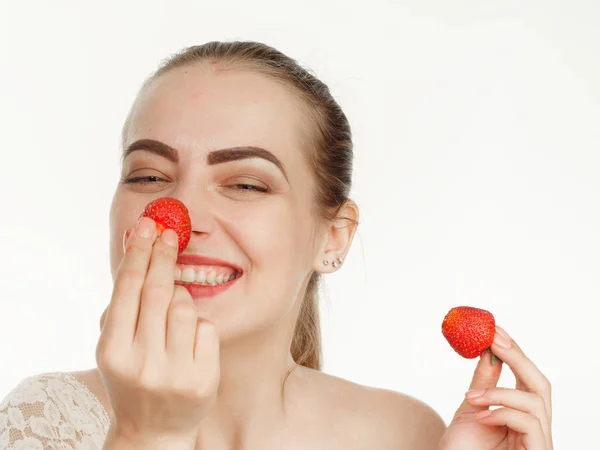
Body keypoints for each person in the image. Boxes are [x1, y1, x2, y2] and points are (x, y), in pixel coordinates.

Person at [0, 41, 553, 450]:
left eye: (246, 184)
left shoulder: (405, 435)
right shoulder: (42, 421)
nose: (182, 220)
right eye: (147, 176)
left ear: (333, 236)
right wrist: (147, 435)